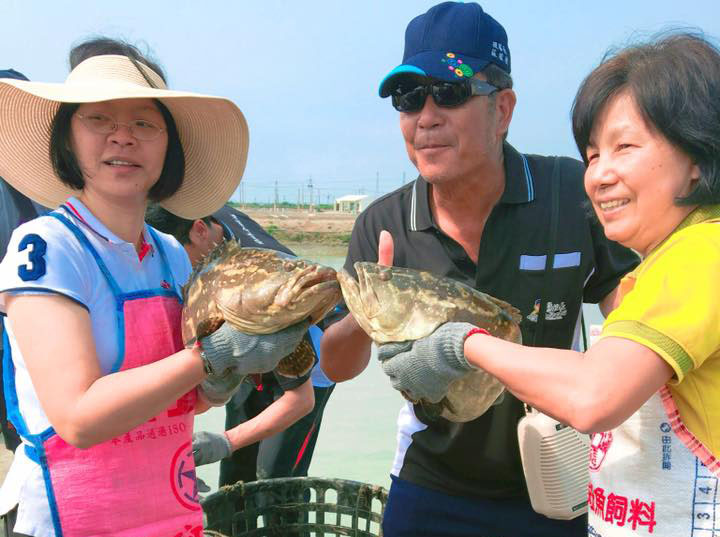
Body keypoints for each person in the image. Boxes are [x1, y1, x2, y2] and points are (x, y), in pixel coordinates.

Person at [379, 32, 720, 537]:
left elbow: (593, 395)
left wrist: (460, 344)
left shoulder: (702, 255)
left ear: (696, 157)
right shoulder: (658, 266)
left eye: (625, 146)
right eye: (593, 153)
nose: (600, 175)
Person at [321, 3, 640, 537]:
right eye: (408, 98)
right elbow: (336, 367)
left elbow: (628, 301)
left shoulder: (569, 193)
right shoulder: (384, 223)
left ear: (504, 109)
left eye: (449, 92)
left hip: (555, 478)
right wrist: (367, 313)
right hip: (430, 480)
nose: (425, 116)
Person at [0, 39, 309, 537]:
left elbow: (184, 401)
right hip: (70, 520)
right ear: (66, 139)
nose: (122, 137)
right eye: (98, 119)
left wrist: (225, 373)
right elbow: (78, 418)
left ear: (170, 149)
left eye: (144, 123)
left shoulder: (169, 253)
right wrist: (209, 356)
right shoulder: (46, 247)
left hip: (172, 513)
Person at [146, 204, 336, 483]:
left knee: (275, 481)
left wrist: (225, 441)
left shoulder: (268, 290)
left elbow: (300, 399)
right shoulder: (202, 220)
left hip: (303, 374)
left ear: (200, 229)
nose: (181, 272)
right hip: (242, 350)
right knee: (236, 475)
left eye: (179, 259)